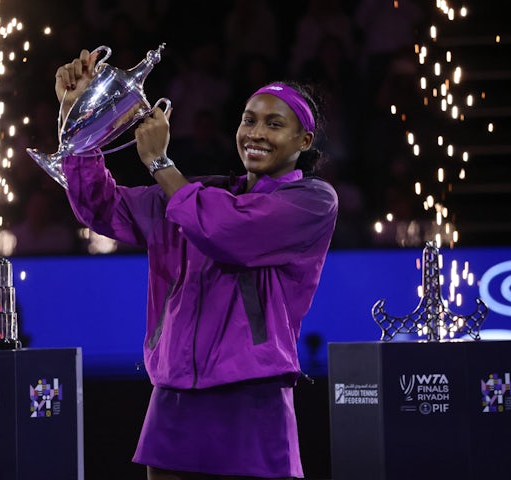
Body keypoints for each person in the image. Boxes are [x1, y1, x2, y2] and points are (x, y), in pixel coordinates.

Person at [52, 49, 338, 480]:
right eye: (248, 120)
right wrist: (78, 117)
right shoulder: (199, 192)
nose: (255, 133)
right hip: (175, 391)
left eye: (274, 124)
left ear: (304, 141)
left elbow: (226, 231)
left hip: (251, 393)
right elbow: (101, 207)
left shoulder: (312, 202)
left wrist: (160, 164)